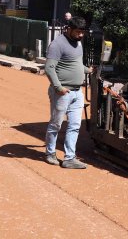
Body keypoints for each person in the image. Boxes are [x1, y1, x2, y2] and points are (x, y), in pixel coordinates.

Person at [44, 16, 93, 169]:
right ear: (69, 29)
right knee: (56, 124)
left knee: (75, 125)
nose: (81, 35)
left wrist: (87, 70)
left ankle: (69, 158)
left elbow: (75, 63)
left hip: (78, 93)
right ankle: (50, 153)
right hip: (62, 92)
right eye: (78, 32)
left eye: (82, 32)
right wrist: (59, 88)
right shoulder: (57, 44)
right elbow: (49, 68)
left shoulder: (78, 43)